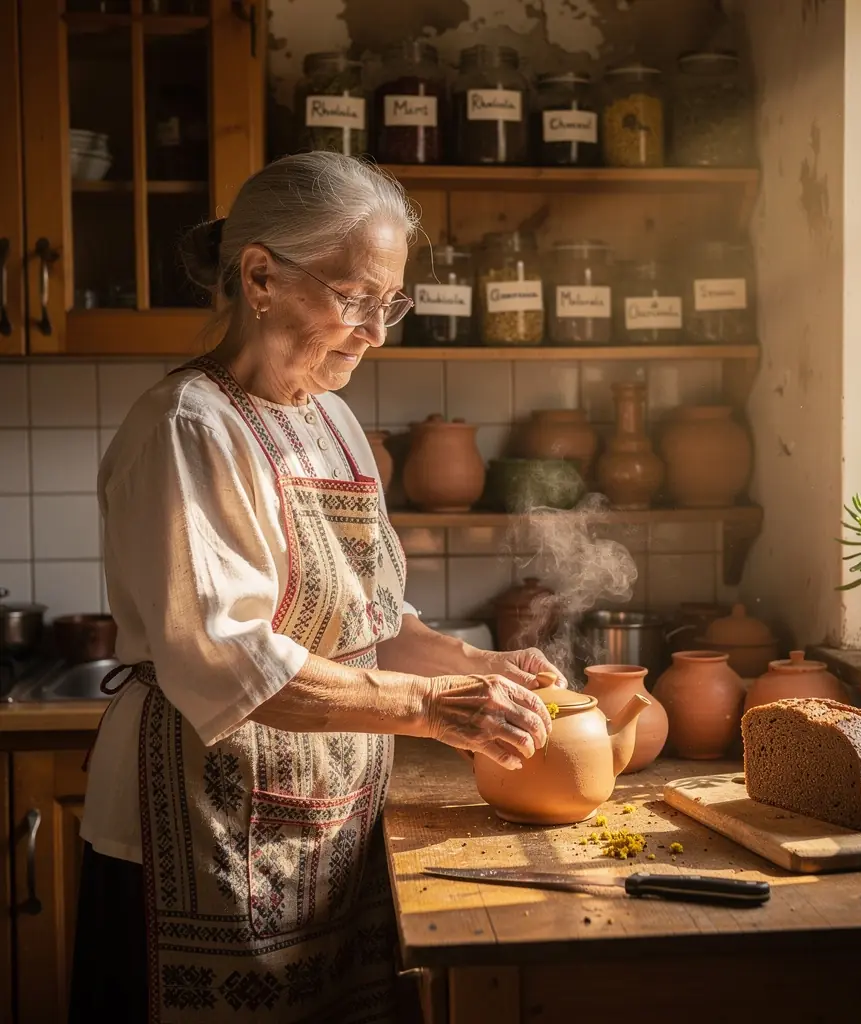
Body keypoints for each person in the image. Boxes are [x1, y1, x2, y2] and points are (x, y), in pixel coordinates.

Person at [69, 152, 563, 1024]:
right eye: (354, 298)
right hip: (192, 828)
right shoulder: (189, 427)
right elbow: (234, 662)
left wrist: (480, 665)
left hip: (323, 824)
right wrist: (430, 705)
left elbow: (369, 621)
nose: (377, 331)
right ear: (259, 275)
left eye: (391, 303)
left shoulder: (330, 419)